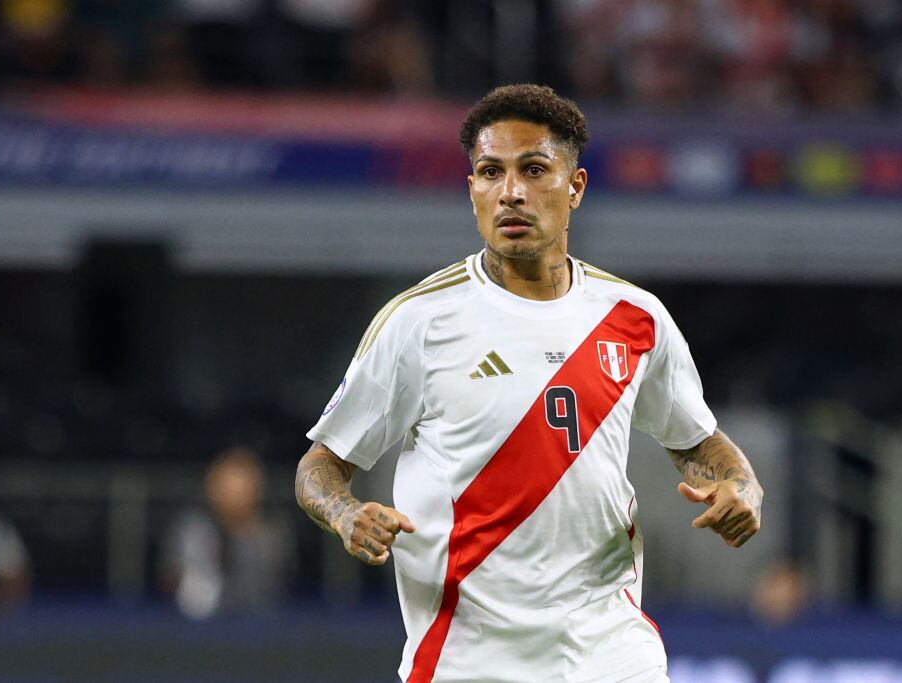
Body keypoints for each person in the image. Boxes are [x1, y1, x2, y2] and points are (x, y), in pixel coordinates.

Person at [295, 84, 764, 683]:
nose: (511, 192)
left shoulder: (635, 318)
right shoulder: (419, 321)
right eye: (491, 172)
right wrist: (344, 515)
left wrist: (741, 487)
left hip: (612, 655)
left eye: (534, 170)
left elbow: (696, 442)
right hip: (467, 662)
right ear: (472, 190)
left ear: (576, 187)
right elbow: (320, 466)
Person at [162, 447, 295, 619]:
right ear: (212, 487)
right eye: (226, 487)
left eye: (242, 488)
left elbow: (273, 586)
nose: (233, 496)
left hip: (258, 624)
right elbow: (173, 577)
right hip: (197, 624)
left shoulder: (271, 534)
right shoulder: (192, 529)